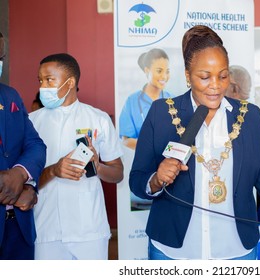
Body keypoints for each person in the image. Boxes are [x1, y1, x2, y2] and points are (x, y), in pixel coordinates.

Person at [129, 25, 260, 260]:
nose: (216, 85)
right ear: (188, 76)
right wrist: (156, 179)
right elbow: (137, 180)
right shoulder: (161, 113)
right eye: (204, 77)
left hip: (236, 251)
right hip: (173, 250)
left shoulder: (250, 116)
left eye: (223, 75)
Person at [29, 53, 124, 260]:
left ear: (70, 82)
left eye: (49, 80)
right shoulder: (31, 122)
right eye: (40, 81)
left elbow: (117, 174)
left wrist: (97, 166)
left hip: (89, 230)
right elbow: (25, 180)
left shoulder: (97, 119)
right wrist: (54, 170)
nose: (43, 86)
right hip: (46, 228)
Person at [0, 31, 47, 260]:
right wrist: (7, 188)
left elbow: (35, 145)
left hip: (18, 228)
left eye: (0, 58)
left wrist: (22, 178)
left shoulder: (10, 96)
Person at [119, 48, 173, 150]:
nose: (164, 76)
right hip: (144, 161)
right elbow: (126, 140)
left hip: (170, 162)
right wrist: (152, 147)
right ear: (147, 70)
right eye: (159, 71)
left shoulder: (173, 100)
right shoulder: (132, 101)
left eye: (167, 71)